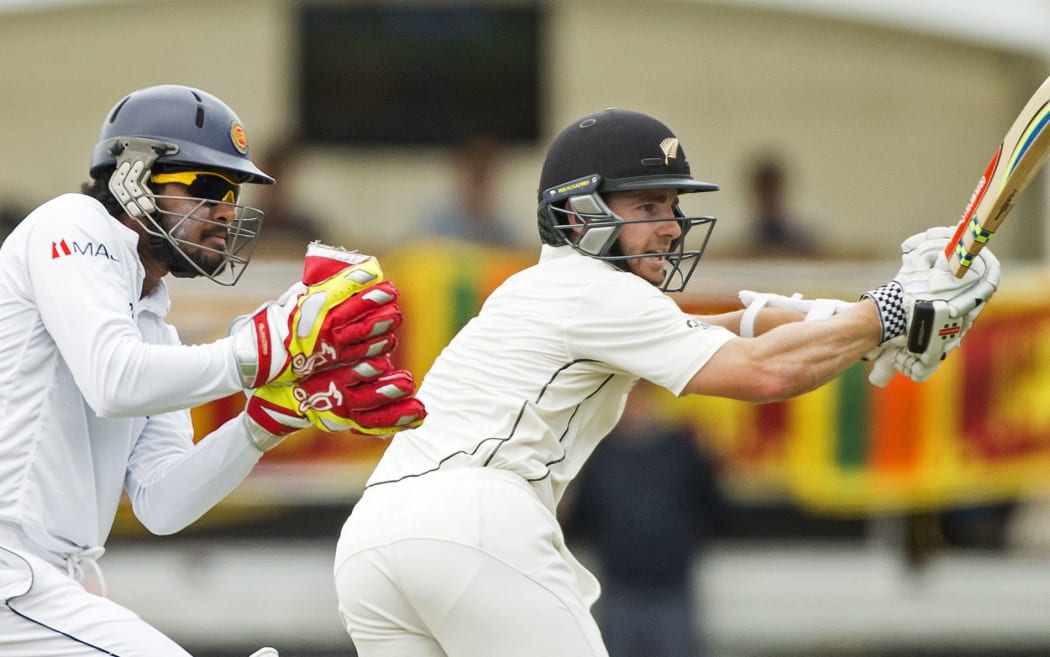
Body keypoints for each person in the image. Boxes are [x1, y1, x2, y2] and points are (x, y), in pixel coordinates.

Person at [332, 108, 1000, 657]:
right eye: (649, 204)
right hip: (472, 524)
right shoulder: (599, 293)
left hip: (373, 541)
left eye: (672, 206)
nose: (672, 225)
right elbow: (765, 369)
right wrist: (888, 311)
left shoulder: (547, 287)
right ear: (578, 214)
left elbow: (728, 326)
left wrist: (856, 322)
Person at [0, 84, 425, 657]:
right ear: (132, 178)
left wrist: (268, 420)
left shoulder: (154, 328)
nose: (226, 211)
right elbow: (112, 381)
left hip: (48, 584)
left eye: (231, 192)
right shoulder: (71, 224)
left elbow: (162, 503)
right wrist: (262, 351)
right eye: (205, 187)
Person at [564, 380, 727, 657]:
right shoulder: (600, 454)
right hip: (618, 588)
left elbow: (711, 507)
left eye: (639, 395)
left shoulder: (681, 449)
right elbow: (583, 517)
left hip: (672, 588)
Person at [418, 134, 518, 247]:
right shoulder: (434, 226)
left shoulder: (504, 230)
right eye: (475, 174)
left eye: (485, 175)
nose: (480, 183)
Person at [745, 154, 819, 257]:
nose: (768, 196)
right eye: (764, 191)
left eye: (771, 190)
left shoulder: (806, 242)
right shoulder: (745, 243)